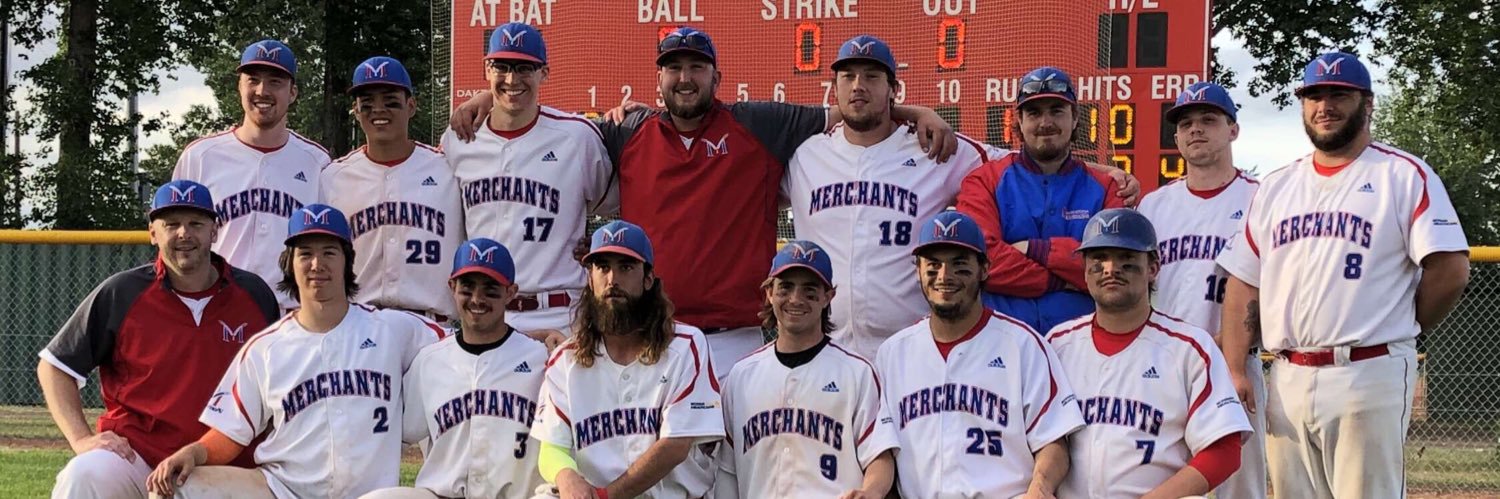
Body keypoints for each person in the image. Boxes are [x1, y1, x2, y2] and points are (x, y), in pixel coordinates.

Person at [450, 26, 964, 380]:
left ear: (717, 78)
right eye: (674, 67)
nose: (685, 77)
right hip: (651, 335)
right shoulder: (627, 132)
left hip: (735, 340)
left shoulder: (760, 125)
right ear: (658, 80)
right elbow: (541, 122)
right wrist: (485, 99)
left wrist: (913, 110)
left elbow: (855, 111)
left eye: (697, 66)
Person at [1217, 52, 1470, 498]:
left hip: (1367, 370)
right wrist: (1236, 366)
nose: (1324, 105)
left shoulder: (1403, 174)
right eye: (1314, 95)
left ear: (1367, 103)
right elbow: (1243, 281)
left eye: (1339, 95)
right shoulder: (1277, 186)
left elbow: (1450, 269)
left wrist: (1406, 324)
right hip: (1289, 374)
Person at [145, 204, 447, 498]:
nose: (317, 264)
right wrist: (194, 452)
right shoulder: (266, 347)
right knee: (178, 486)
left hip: (371, 493)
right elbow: (231, 431)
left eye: (329, 252)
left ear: (347, 261)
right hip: (282, 490)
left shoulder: (392, 329)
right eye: (305, 254)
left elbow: (460, 348)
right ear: (290, 263)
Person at [39, 180, 280, 499]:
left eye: (196, 223)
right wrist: (81, 439)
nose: (184, 233)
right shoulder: (123, 293)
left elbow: (280, 380)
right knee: (84, 475)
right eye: (172, 224)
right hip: (136, 456)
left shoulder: (254, 294)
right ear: (153, 232)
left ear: (214, 231)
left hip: (221, 462)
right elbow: (55, 366)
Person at [783, 35, 990, 360]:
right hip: (825, 351)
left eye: (871, 76)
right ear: (833, 88)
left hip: (913, 349)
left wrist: (1101, 172)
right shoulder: (805, 155)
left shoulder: (932, 147)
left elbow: (1021, 168)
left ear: (894, 88)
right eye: (848, 76)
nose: (858, 86)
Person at [875, 211, 1084, 498]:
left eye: (959, 265)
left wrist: (1041, 485)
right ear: (917, 270)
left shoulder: (1022, 345)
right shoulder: (892, 354)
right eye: (933, 265)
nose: (944, 276)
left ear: (984, 269)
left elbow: (1054, 440)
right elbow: (879, 451)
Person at [1046, 208, 1251, 498]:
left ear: (1153, 267)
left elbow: (1225, 449)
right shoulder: (1055, 344)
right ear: (1084, 268)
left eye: (1126, 259)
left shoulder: (1190, 348)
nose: (1110, 269)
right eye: (1099, 258)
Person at [1135, 81, 1266, 499]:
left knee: (1238, 488)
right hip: (1163, 370)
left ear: (1233, 130)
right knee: (1166, 483)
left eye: (1208, 120)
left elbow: (1276, 295)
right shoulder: (1154, 207)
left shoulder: (1261, 200)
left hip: (1235, 367)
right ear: (1175, 137)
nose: (1195, 130)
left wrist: (1226, 351)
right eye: (1186, 123)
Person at [530, 220, 724, 499]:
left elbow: (675, 446)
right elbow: (552, 447)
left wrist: (606, 496)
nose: (612, 279)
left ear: (647, 279)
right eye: (603, 267)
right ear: (590, 278)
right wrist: (567, 477)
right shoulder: (566, 358)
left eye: (626, 267)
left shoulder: (686, 345)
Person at [441, 22, 612, 338]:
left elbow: (620, 202)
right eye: (501, 67)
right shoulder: (459, 140)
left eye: (524, 68)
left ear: (544, 73)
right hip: (484, 314)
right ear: (486, 70)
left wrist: (599, 244)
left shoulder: (577, 138)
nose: (511, 79)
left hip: (561, 313)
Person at [361, 238, 549, 499]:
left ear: (511, 292)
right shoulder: (430, 361)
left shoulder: (540, 358)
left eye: (490, 289)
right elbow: (403, 430)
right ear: (452, 286)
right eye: (467, 287)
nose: (477, 299)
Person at [713, 240, 899, 499]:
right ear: (769, 292)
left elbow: (879, 455)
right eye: (785, 288)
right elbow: (727, 471)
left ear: (828, 297)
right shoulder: (741, 376)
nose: (796, 299)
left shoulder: (857, 372)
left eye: (809, 290)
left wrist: (871, 492)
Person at [957, 66, 1130, 335]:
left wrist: (1036, 249)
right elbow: (979, 262)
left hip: (1084, 345)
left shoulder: (1106, 188)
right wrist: (1058, 280)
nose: (1045, 122)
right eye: (1034, 113)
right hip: (998, 341)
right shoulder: (984, 180)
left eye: (1056, 111)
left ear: (1074, 119)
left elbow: (1112, 266)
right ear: (1019, 121)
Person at [173, 39, 329, 310]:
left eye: (275, 82)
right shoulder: (201, 156)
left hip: (291, 314)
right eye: (252, 79)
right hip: (215, 307)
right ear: (239, 86)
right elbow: (171, 237)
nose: (262, 90)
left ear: (293, 93)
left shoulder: (317, 162)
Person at [323, 56, 463, 321]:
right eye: (367, 104)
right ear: (355, 110)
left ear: (411, 106)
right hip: (359, 320)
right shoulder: (333, 177)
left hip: (433, 324)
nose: (378, 110)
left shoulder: (448, 170)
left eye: (390, 101)